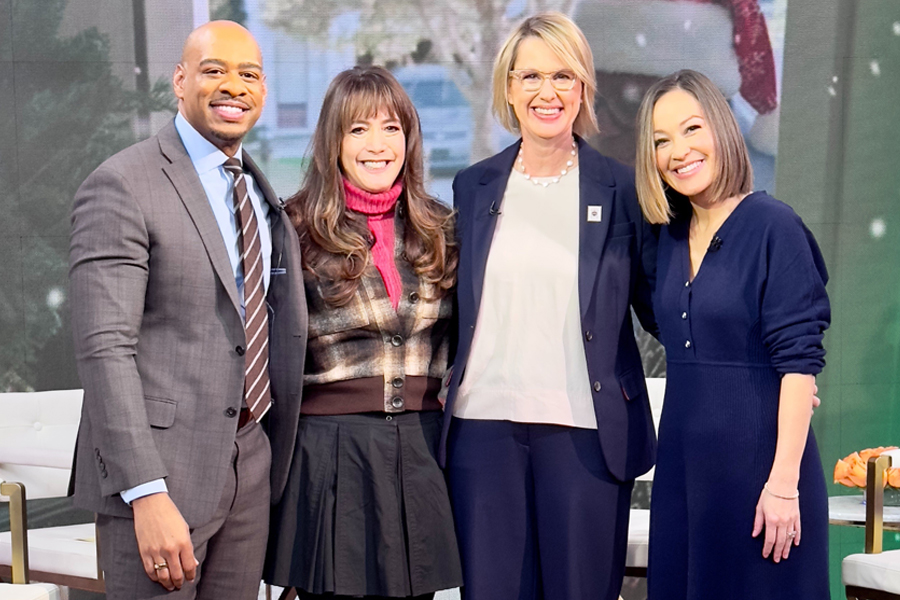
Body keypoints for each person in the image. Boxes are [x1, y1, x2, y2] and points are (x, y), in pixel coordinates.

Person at [69, 21, 307, 600]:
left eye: (249, 74)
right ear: (180, 81)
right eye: (214, 70)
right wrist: (145, 492)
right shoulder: (122, 184)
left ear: (264, 89)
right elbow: (105, 349)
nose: (234, 86)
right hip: (160, 479)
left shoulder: (260, 191)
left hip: (249, 468)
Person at [441, 12, 658, 600]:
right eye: (531, 75)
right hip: (482, 432)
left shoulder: (621, 188)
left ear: (584, 87)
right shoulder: (472, 186)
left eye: (563, 76)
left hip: (585, 435)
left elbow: (663, 307)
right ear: (508, 88)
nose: (547, 92)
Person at [264, 66, 462, 600]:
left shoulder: (441, 228)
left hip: (422, 448)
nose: (378, 144)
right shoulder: (293, 228)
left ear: (409, 138)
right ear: (334, 141)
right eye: (358, 129)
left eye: (391, 128)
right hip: (330, 453)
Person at [634, 69, 831, 599]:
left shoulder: (774, 227)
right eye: (661, 140)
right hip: (683, 480)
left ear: (723, 129)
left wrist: (783, 487)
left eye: (692, 128)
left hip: (763, 479)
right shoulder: (668, 237)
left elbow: (798, 365)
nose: (679, 150)